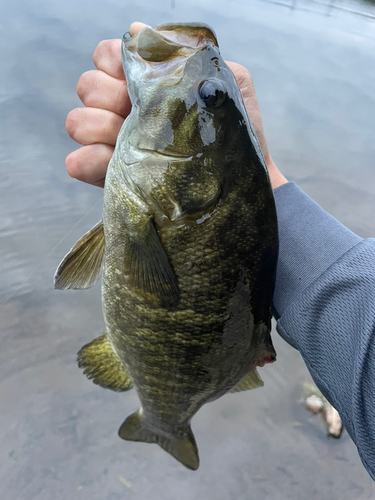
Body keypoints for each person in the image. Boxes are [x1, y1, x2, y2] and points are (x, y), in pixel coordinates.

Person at [64, 22, 375, 480]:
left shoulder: (172, 195)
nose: (206, 92)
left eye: (211, 96)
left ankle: (161, 424)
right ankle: (168, 418)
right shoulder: (187, 190)